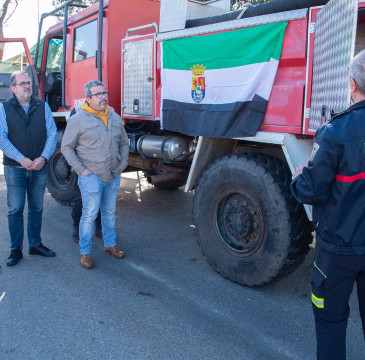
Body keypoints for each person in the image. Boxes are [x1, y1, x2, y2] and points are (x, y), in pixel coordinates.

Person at [291, 50, 365, 360]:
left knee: (331, 323)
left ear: (351, 84)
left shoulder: (336, 132)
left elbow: (310, 190)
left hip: (337, 252)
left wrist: (298, 176)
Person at [61, 80, 129, 269]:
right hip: (91, 176)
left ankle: (110, 245)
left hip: (113, 174)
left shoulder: (114, 116)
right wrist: (81, 170)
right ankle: (85, 253)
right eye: (98, 94)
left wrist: (123, 163)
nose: (103, 97)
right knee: (89, 215)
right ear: (88, 99)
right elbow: (66, 147)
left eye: (104, 93)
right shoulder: (78, 119)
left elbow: (124, 141)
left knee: (109, 213)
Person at [0, 71, 57, 266]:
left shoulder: (43, 106)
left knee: (37, 207)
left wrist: (43, 157)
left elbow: (52, 134)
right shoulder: (4, 108)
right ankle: (16, 250)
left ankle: (35, 244)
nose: (27, 86)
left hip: (39, 166)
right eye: (22, 83)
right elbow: (2, 137)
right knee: (15, 209)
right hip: (15, 168)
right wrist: (21, 159)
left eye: (29, 83)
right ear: (13, 87)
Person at [68, 107, 102, 243]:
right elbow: (70, 142)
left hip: (100, 162)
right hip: (82, 162)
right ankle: (76, 226)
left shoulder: (105, 112)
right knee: (80, 198)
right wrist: (79, 167)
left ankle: (99, 226)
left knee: (100, 195)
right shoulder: (76, 112)